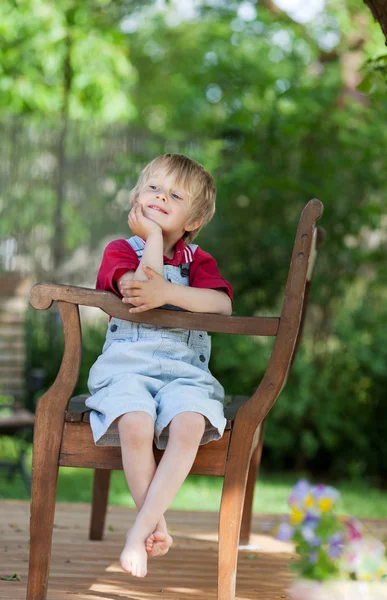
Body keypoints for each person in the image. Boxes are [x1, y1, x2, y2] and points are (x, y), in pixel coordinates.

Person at [86, 153, 233, 578]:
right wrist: (151, 237)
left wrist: (170, 291)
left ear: (192, 220)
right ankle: (156, 525)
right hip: (126, 370)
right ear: (137, 198)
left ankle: (138, 531)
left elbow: (221, 305)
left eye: (174, 194)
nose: (160, 197)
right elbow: (139, 285)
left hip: (184, 374)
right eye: (153, 188)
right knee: (135, 423)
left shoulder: (198, 262)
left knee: (188, 423)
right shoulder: (119, 251)